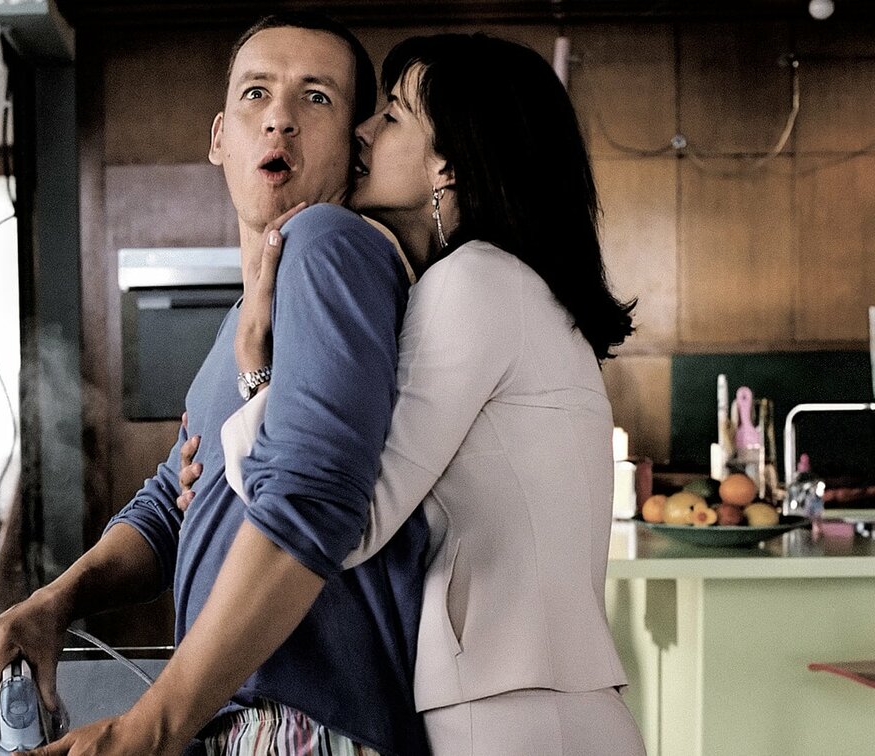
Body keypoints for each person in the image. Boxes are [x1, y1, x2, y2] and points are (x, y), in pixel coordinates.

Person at [0, 13, 429, 756]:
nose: (279, 117)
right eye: (256, 93)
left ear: (355, 148)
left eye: (316, 97)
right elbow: (171, 503)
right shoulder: (243, 321)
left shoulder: (328, 244)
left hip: (302, 724)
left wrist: (150, 728)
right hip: (238, 715)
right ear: (220, 137)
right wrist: (56, 602)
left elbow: (313, 498)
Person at [200, 32, 646, 755]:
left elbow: (349, 524)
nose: (364, 131)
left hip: (509, 714)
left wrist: (257, 366)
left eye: (393, 116)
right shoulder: (512, 286)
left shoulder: (472, 282)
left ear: (449, 164)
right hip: (536, 702)